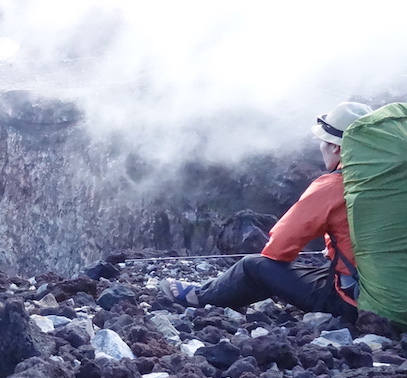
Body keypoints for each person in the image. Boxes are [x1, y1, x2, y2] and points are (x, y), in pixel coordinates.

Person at [159, 102, 374, 322]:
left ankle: (201, 297)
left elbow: (279, 249)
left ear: (336, 147)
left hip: (358, 303)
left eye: (323, 141)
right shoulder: (396, 182)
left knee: (254, 266)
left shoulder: (333, 186)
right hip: (396, 295)